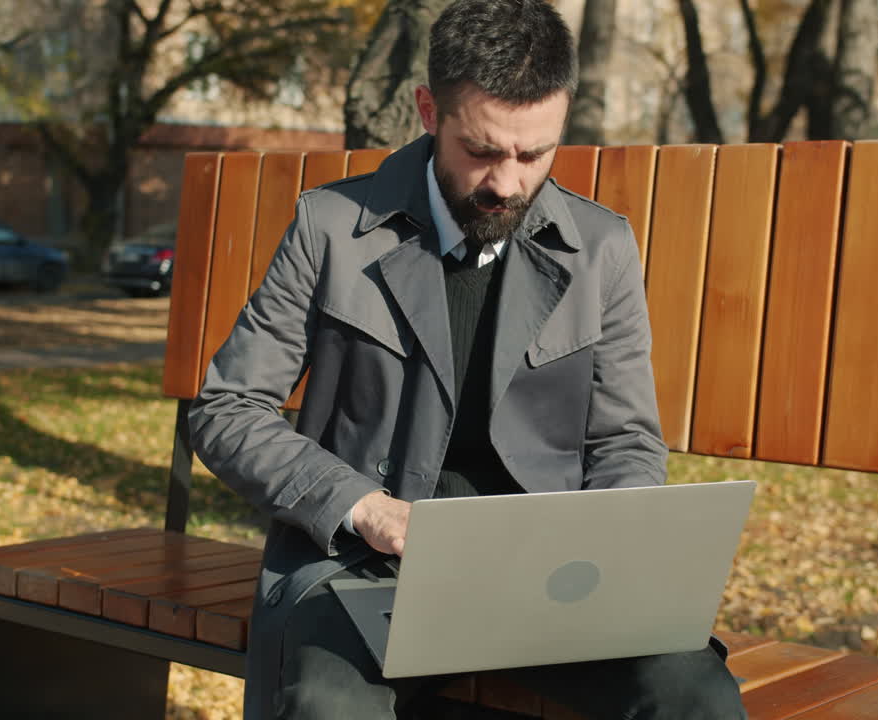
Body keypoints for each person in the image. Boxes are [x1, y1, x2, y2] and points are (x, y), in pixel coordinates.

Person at [189, 1, 746, 717]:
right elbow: (227, 410)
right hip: (362, 569)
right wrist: (363, 508)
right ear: (429, 110)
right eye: (482, 150)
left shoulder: (602, 248)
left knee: (695, 696)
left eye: (534, 153)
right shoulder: (330, 228)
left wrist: (606, 549)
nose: (508, 184)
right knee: (327, 707)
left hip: (546, 579)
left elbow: (625, 440)